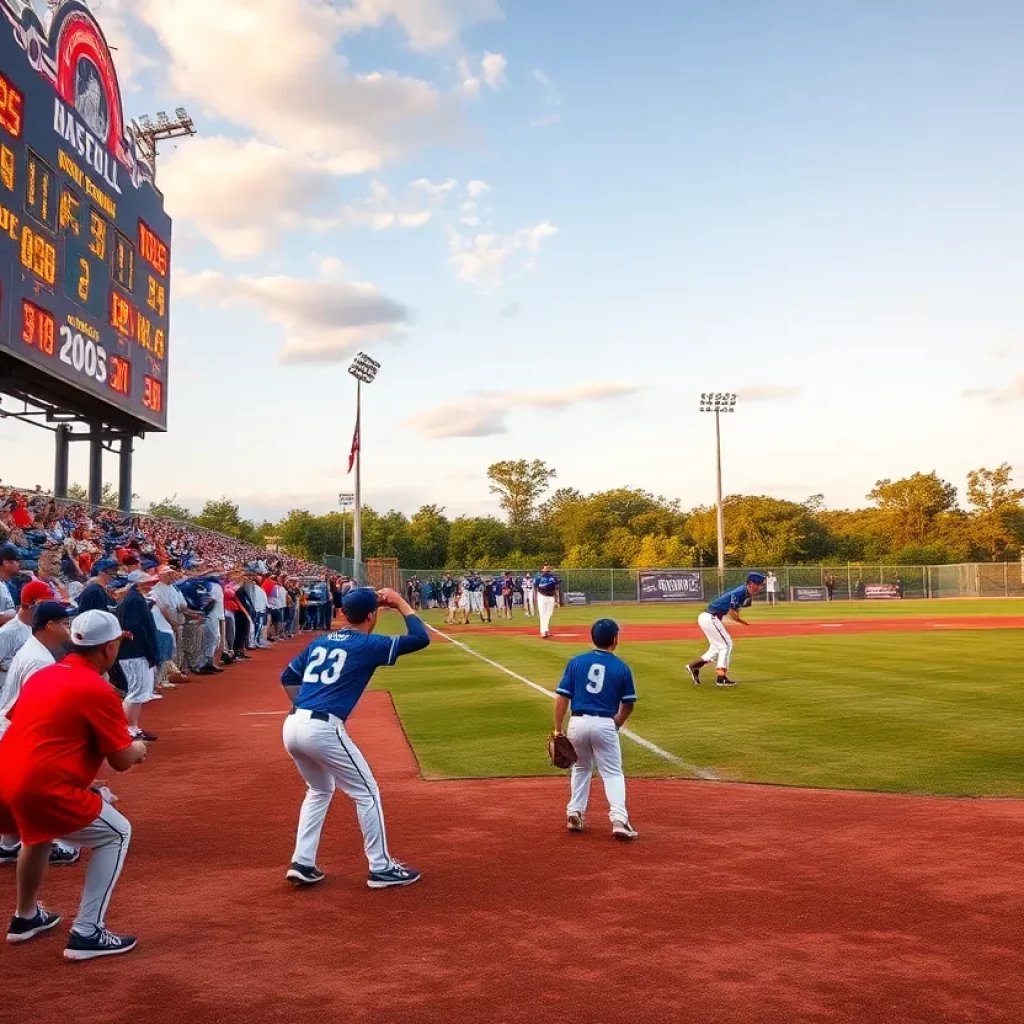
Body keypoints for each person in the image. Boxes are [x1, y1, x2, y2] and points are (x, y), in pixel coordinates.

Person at [0, 609, 148, 959]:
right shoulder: (98, 688)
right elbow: (122, 760)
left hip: (6, 775)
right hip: (40, 785)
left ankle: (25, 917)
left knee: (37, 837)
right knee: (118, 833)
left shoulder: (45, 674)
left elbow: (35, 730)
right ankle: (87, 932)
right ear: (108, 649)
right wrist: (139, 746)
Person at [280, 587, 430, 889]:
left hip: (293, 725)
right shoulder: (368, 644)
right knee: (367, 792)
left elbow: (288, 677)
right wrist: (400, 602)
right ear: (371, 616)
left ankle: (303, 862)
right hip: (322, 728)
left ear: (343, 613)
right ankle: (381, 867)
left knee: (319, 791)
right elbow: (420, 638)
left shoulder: (320, 641)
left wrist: (301, 705)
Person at [552, 618, 638, 841]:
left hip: (577, 723)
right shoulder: (621, 667)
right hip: (604, 723)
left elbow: (562, 698)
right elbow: (628, 703)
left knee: (580, 768)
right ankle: (619, 820)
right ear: (615, 639)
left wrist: (557, 730)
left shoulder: (576, 662)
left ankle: (574, 812)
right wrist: (617, 722)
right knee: (612, 772)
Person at [686, 572, 766, 688]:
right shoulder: (741, 592)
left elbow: (735, 608)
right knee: (726, 645)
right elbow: (732, 611)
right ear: (752, 584)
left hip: (710, 618)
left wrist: (738, 617)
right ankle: (721, 678)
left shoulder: (745, 593)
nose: (761, 587)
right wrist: (741, 622)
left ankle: (694, 666)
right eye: (759, 584)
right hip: (710, 617)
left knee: (716, 647)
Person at [116, 571, 161, 741]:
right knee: (136, 691)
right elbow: (132, 625)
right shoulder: (134, 599)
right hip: (135, 652)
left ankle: (132, 727)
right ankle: (125, 729)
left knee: (139, 691)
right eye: (147, 582)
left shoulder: (135, 598)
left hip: (137, 651)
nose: (150, 584)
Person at [536, 564, 560, 639]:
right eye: (545, 568)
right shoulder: (538, 577)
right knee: (543, 614)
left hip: (551, 596)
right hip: (542, 596)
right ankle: (543, 632)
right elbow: (536, 586)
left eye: (547, 569)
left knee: (549, 614)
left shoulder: (553, 577)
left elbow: (555, 588)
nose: (546, 570)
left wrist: (557, 599)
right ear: (542, 570)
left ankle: (546, 630)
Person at [0, 544, 20, 625]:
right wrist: (18, 614)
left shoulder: (4, 582)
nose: (19, 564)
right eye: (17, 560)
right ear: (6, 562)